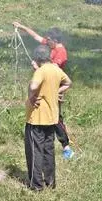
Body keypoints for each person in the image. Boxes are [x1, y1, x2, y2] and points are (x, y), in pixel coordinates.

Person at [13, 22, 73, 160]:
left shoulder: (61, 52)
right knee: (47, 113)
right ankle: (46, 139)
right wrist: (21, 26)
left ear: (55, 41)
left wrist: (37, 68)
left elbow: (51, 72)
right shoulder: (51, 44)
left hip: (54, 86)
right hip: (45, 85)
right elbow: (36, 37)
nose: (46, 42)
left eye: (49, 40)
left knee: (56, 117)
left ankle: (66, 147)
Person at [24, 45, 72, 190]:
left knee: (34, 151)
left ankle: (36, 185)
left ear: (38, 59)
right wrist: (57, 91)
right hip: (52, 117)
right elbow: (68, 83)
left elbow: (33, 86)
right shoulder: (56, 69)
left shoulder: (41, 71)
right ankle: (50, 182)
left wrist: (31, 96)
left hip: (37, 118)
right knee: (48, 150)